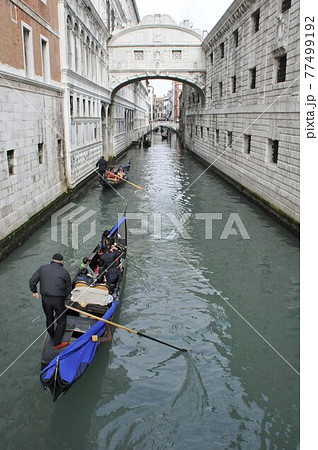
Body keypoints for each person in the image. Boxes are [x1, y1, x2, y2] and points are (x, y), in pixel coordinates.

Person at [29, 253, 72, 349]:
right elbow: (68, 288)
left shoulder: (42, 268)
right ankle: (57, 343)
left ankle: (52, 335)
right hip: (58, 299)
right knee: (61, 320)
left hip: (45, 299)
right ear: (62, 262)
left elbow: (32, 281)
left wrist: (34, 291)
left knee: (49, 317)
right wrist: (64, 298)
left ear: (51, 259)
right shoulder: (64, 272)